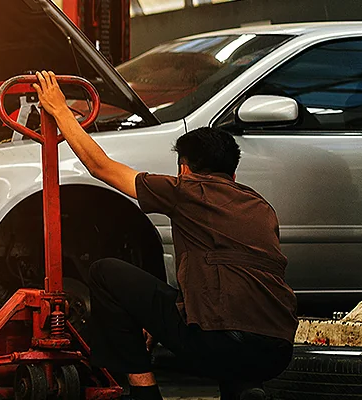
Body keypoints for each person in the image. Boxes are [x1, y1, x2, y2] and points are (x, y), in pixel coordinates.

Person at [32, 71, 294, 400]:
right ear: (233, 172)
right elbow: (231, 279)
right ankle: (244, 391)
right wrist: (164, 317)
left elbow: (100, 167)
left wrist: (60, 109)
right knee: (230, 336)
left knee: (105, 273)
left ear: (184, 168)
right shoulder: (261, 206)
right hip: (277, 350)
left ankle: (145, 392)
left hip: (220, 342)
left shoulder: (186, 190)